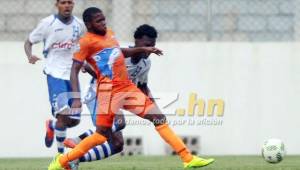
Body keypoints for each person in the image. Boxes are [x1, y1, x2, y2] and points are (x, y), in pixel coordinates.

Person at [48, 7, 214, 170]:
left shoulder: (110, 34)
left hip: (127, 88)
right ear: (89, 25)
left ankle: (187, 158)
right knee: (101, 135)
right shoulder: (85, 42)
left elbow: (119, 53)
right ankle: (64, 160)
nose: (103, 23)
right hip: (107, 92)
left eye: (104, 19)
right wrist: (76, 98)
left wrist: (143, 49)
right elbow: (75, 70)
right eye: (99, 21)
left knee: (158, 118)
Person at [62, 24, 159, 164]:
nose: (149, 49)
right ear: (137, 41)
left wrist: (155, 110)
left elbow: (143, 86)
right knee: (119, 122)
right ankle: (78, 139)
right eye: (147, 45)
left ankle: (73, 160)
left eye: (153, 45)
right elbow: (91, 65)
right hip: (98, 94)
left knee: (117, 144)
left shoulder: (146, 63)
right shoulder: (118, 54)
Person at [24, 0, 85, 154]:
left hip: (72, 76)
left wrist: (85, 63)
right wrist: (30, 56)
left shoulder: (79, 24)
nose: (67, 6)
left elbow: (84, 47)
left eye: (70, 2)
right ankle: (60, 157)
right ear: (56, 4)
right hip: (54, 74)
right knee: (63, 115)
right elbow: (29, 41)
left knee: (74, 120)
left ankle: (52, 126)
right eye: (63, 2)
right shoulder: (47, 23)